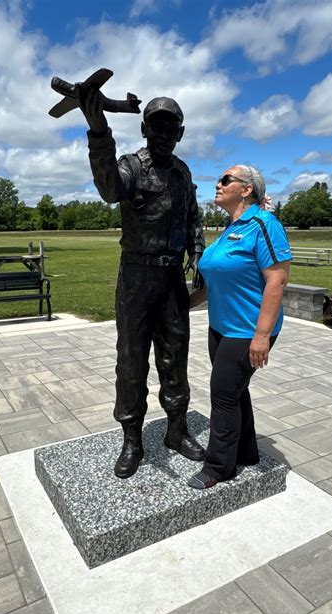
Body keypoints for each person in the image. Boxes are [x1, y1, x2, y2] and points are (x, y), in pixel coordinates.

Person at [79, 90, 206, 478]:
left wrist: (197, 252)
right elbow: (108, 189)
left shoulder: (183, 173)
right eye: (157, 125)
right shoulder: (132, 167)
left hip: (171, 279)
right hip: (136, 276)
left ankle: (176, 430)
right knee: (131, 361)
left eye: (172, 126)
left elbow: (192, 218)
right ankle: (132, 438)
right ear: (144, 128)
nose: (164, 132)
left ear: (181, 133)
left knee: (175, 357)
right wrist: (99, 130)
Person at [187, 165, 292, 489]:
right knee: (235, 392)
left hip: (247, 331)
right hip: (221, 327)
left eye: (225, 180)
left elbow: (277, 280)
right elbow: (214, 281)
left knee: (223, 397)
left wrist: (261, 336)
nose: (217, 184)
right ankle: (246, 451)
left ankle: (218, 467)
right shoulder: (230, 228)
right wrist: (183, 305)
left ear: (246, 189)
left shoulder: (264, 225)